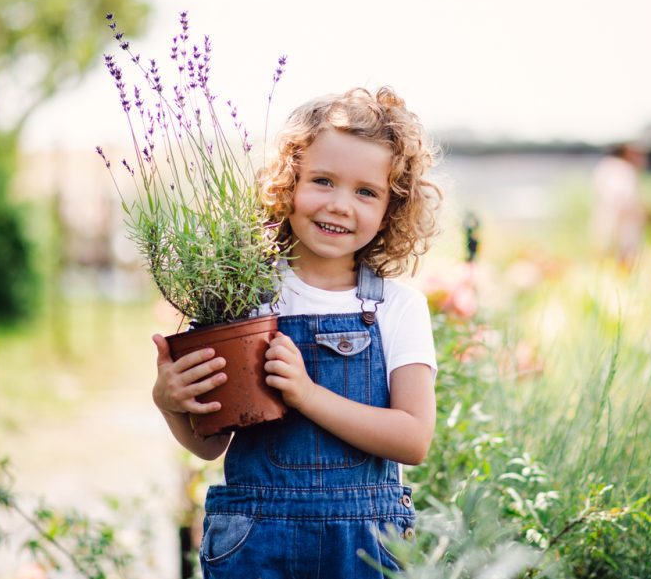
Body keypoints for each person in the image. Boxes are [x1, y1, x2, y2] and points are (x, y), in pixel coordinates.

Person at [150, 87, 442, 578]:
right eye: (323, 181)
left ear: (391, 209)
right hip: (257, 540)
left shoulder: (398, 308)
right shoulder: (243, 300)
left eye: (366, 191)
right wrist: (171, 402)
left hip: (364, 547)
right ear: (289, 184)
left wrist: (307, 395)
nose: (340, 205)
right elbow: (209, 446)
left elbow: (412, 438)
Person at [590, 142, 647, 266]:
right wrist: (642, 213)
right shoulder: (623, 170)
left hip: (605, 229)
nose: (643, 159)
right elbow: (622, 202)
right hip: (622, 234)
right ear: (627, 152)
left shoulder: (604, 167)